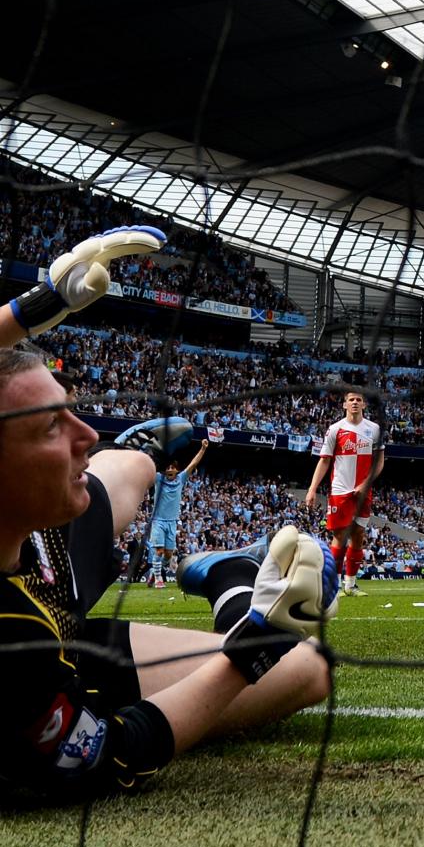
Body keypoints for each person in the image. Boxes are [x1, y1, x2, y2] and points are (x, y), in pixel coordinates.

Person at [0, 228, 336, 800]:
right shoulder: (11, 649)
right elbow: (111, 756)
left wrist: (36, 306)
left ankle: (147, 456)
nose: (85, 431)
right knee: (305, 667)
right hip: (47, 644)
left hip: (34, 548)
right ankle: (232, 579)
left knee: (128, 468)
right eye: (53, 424)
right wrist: (250, 648)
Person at [305, 390, 384, 596]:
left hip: (363, 490)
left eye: (359, 400)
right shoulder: (335, 429)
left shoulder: (375, 429)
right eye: (351, 400)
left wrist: (366, 484)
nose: (355, 403)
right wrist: (313, 489)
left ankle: (351, 585)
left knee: (358, 535)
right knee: (340, 535)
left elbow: (379, 461)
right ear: (344, 405)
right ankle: (335, 584)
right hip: (341, 489)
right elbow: (324, 460)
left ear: (364, 405)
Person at [147, 438, 208, 588]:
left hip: (172, 522)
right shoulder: (159, 479)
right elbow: (149, 467)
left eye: (172, 468)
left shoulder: (181, 479)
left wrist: (203, 449)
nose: (169, 470)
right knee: (159, 551)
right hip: (158, 521)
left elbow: (193, 464)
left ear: (176, 470)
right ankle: (158, 579)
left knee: (168, 555)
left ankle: (153, 573)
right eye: (167, 468)